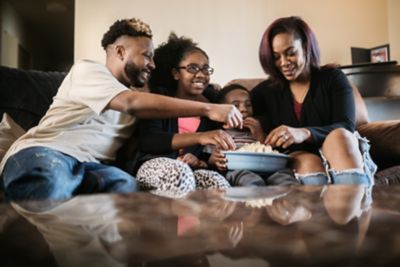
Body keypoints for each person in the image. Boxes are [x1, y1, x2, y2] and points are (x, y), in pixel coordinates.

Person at [0, 18, 243, 201]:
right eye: (147, 55)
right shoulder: (88, 71)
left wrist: (234, 87)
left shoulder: (143, 96)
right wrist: (209, 108)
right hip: (47, 152)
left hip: (92, 166)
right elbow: (132, 104)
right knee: (51, 183)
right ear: (119, 52)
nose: (153, 64)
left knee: (128, 192)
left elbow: (153, 105)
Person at [251, 16, 377, 185]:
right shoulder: (264, 92)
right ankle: (336, 209)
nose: (283, 63)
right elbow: (234, 108)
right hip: (301, 159)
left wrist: (304, 132)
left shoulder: (333, 78)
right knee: (307, 162)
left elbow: (346, 126)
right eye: (276, 57)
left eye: (291, 53)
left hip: (340, 149)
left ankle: (355, 207)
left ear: (305, 47)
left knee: (339, 136)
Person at [134, 33, 236, 197]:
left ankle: (211, 223)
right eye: (192, 68)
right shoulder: (160, 98)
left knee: (218, 183)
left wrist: (201, 161)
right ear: (176, 73)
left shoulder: (213, 108)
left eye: (205, 69)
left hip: (191, 169)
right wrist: (200, 137)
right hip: (154, 165)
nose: (201, 74)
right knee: (180, 173)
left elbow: (207, 154)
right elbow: (149, 141)